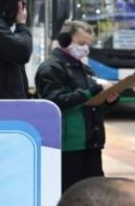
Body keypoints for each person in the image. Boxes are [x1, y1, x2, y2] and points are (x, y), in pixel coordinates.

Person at [35, 21, 117, 192]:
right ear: (64, 40)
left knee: (93, 194)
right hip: (67, 145)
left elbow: (94, 106)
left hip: (92, 143)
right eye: (81, 43)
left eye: (88, 44)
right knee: (69, 194)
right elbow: (55, 102)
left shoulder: (86, 70)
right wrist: (91, 91)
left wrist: (109, 99)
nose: (85, 49)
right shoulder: (50, 69)